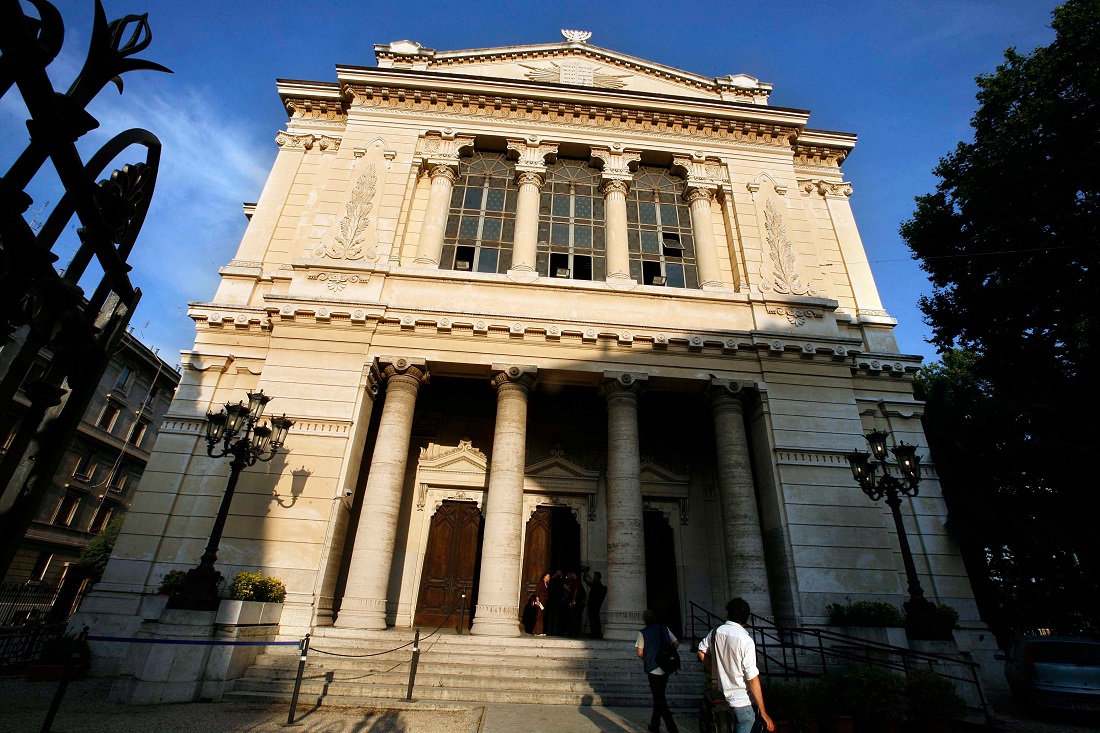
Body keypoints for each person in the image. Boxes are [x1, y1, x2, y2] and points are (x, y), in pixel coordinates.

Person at [696, 597, 775, 733]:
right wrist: (764, 712)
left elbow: (701, 651)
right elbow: (752, 678)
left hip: (721, 700)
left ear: (728, 613)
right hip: (742, 702)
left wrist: (715, 673)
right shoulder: (746, 640)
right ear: (746, 617)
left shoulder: (716, 632)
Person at [636, 609, 680, 733]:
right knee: (659, 696)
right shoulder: (664, 628)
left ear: (644, 620)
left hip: (652, 667)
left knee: (659, 698)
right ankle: (655, 725)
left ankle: (672, 728)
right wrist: (668, 654)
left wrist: (649, 656)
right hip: (666, 666)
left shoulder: (643, 632)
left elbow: (640, 653)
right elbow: (676, 643)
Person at [583, 569, 606, 638]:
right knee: (592, 619)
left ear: (598, 577)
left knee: (595, 620)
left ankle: (597, 634)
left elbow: (594, 584)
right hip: (591, 606)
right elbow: (586, 581)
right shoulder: (594, 585)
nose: (594, 577)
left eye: (595, 576)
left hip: (595, 606)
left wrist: (588, 575)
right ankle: (594, 633)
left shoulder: (599, 585)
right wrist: (585, 576)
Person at [567, 571, 586, 637]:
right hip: (577, 602)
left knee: (574, 617)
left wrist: (573, 601)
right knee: (576, 617)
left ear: (574, 574)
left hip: (577, 602)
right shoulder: (574, 582)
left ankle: (576, 632)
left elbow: (575, 591)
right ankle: (576, 632)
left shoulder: (576, 582)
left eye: (571, 574)